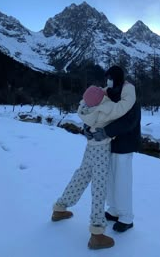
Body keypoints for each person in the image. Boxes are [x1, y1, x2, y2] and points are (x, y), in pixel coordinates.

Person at [51, 83, 135, 249]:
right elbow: (124, 105)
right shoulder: (105, 108)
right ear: (101, 99)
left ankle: (60, 208)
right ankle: (97, 233)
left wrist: (97, 93)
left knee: (81, 176)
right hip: (102, 149)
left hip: (90, 147)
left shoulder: (85, 108)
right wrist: (127, 86)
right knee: (99, 188)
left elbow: (91, 97)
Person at [91, 66, 141, 233]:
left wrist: (106, 132)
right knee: (110, 178)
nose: (108, 81)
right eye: (107, 78)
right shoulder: (109, 93)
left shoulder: (129, 95)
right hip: (109, 143)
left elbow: (129, 121)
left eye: (110, 78)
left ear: (117, 78)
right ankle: (113, 210)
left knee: (122, 181)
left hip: (124, 144)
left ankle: (127, 217)